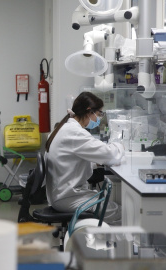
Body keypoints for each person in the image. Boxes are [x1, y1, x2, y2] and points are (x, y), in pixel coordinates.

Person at [44, 91, 125, 223]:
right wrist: (121, 146)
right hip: (67, 197)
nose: (98, 119)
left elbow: (69, 160)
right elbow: (109, 153)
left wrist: (95, 163)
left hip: (61, 193)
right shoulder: (74, 132)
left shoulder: (65, 127)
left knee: (109, 204)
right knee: (118, 213)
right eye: (99, 114)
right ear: (89, 111)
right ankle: (109, 243)